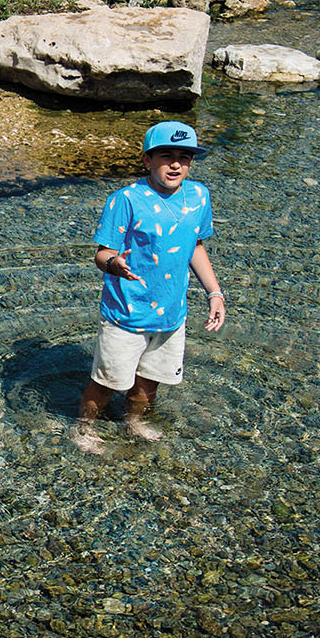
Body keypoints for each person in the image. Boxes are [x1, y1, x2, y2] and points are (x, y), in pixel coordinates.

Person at [72, 121, 226, 455]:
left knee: (150, 380)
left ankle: (134, 421)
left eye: (184, 157)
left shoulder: (199, 196)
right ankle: (84, 428)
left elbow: (196, 247)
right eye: (166, 155)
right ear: (147, 160)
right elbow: (102, 253)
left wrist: (214, 293)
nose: (175, 164)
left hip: (171, 314)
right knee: (107, 382)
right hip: (126, 313)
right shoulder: (125, 200)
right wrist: (114, 264)